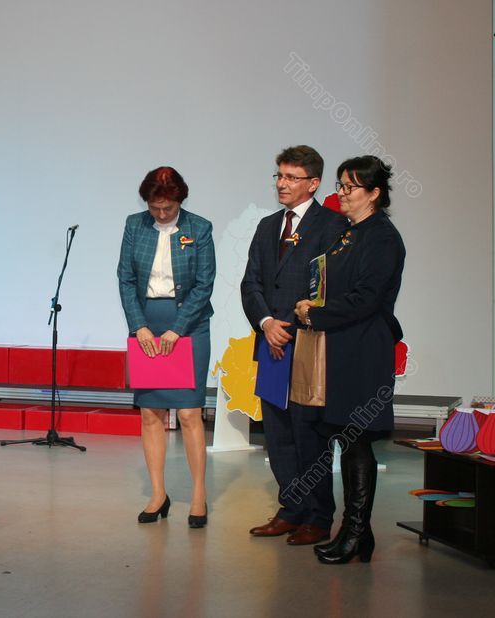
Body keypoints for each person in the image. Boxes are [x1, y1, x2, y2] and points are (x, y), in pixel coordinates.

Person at [294, 155, 405, 564]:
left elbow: (366, 299)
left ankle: (354, 532)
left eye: (350, 187)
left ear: (374, 193)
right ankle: (360, 534)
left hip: (363, 349)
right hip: (340, 345)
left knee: (357, 438)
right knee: (345, 437)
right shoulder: (348, 233)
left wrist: (315, 314)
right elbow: (331, 286)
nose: (341, 193)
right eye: (339, 185)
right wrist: (309, 303)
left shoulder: (382, 237)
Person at [241, 146, 348, 545]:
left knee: (309, 434)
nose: (282, 184)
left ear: (313, 183)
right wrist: (266, 323)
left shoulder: (332, 225)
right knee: (277, 434)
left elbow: (326, 287)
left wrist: (288, 323)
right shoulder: (268, 225)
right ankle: (291, 508)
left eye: (291, 177)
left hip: (307, 343)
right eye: (279, 176)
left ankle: (318, 517)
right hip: (271, 342)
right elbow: (251, 283)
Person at [117, 166, 215, 528]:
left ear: (180, 201)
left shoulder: (199, 228)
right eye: (155, 207)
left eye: (168, 208)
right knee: (150, 413)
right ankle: (158, 494)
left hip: (189, 325)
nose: (161, 213)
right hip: (146, 323)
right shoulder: (134, 225)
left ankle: (199, 494)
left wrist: (177, 329)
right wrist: (139, 326)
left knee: (189, 413)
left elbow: (204, 284)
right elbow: (126, 279)